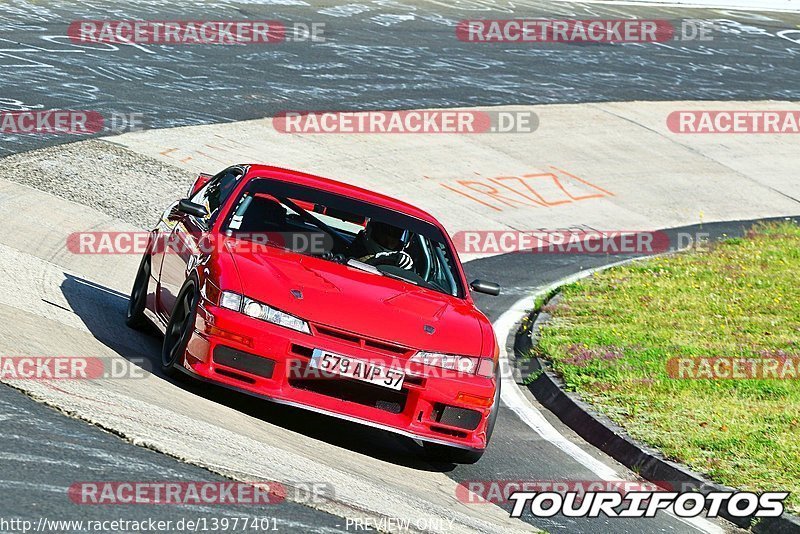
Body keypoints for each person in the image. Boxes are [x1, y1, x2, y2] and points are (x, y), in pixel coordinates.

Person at [346, 220, 414, 270]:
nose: (390, 239)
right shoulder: (354, 252)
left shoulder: (401, 260)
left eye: (396, 234)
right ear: (370, 231)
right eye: (385, 231)